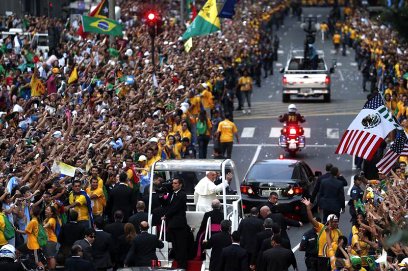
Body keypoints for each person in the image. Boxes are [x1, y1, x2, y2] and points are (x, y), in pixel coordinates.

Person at [302, 198, 342, 271]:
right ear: (329, 222)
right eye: (334, 222)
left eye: (337, 221)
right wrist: (308, 208)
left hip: (333, 257)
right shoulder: (321, 228)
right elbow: (311, 219)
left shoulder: (338, 232)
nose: (337, 223)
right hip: (322, 258)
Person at [161, 178, 189, 269]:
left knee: (181, 246)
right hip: (171, 224)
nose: (173, 185)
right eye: (173, 183)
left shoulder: (182, 194)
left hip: (179, 224)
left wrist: (166, 215)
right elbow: (166, 204)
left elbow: (176, 207)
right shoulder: (172, 194)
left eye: (175, 183)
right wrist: (161, 196)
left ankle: (183, 266)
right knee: (175, 246)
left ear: (180, 185)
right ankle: (178, 265)